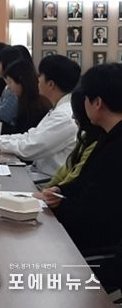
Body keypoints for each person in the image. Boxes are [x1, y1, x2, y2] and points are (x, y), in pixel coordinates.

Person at [37, 63, 122, 254]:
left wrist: (60, 204)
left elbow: (97, 209)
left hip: (96, 244)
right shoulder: (107, 136)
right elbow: (83, 182)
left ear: (97, 103)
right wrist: (60, 190)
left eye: (85, 99)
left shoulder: (115, 147)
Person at [0, 54, 80, 179]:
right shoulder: (58, 109)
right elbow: (29, 136)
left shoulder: (64, 116)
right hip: (37, 171)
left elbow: (29, 147)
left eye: (40, 75)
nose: (37, 80)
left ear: (51, 84)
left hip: (46, 180)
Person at [41, 89, 104, 189]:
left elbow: (72, 179)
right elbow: (64, 171)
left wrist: (54, 191)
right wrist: (45, 190)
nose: (73, 117)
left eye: (76, 112)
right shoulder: (85, 137)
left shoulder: (97, 144)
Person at [0, 59, 51, 135]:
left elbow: (23, 134)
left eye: (10, 82)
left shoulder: (36, 106)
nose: (9, 87)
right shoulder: (24, 100)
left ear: (21, 81)